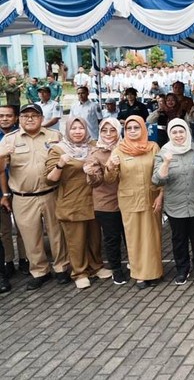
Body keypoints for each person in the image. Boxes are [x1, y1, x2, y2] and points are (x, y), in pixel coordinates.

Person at [0, 104, 69, 290]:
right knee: (31, 237)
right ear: (19, 119)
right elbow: (0, 171)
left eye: (34, 115)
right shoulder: (9, 140)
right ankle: (40, 271)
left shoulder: (54, 136)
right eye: (25, 116)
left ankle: (62, 268)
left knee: (57, 233)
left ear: (41, 118)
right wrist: (6, 194)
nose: (30, 119)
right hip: (23, 197)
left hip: (51, 194)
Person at [45, 116, 111, 289]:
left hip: (94, 199)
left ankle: (96, 266)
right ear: (67, 130)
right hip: (71, 201)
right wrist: (60, 165)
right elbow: (49, 180)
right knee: (76, 240)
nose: (77, 132)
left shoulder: (93, 146)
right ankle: (79, 272)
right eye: (73, 128)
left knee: (94, 237)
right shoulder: (58, 150)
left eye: (81, 128)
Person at [105, 116, 164, 289]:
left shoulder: (153, 147)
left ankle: (155, 272)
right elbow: (109, 179)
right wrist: (110, 167)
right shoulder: (119, 150)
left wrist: (161, 195)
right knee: (134, 238)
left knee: (153, 238)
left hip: (151, 199)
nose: (132, 131)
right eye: (129, 128)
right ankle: (139, 275)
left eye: (136, 128)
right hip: (129, 200)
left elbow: (161, 174)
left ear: (143, 129)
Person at [153, 119, 194, 285]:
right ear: (170, 134)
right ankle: (182, 270)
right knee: (179, 240)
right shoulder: (164, 152)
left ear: (187, 132)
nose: (178, 135)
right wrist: (167, 162)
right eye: (174, 132)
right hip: (175, 205)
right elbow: (157, 180)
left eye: (181, 131)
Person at [84, 118, 128, 284]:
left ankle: (135, 265)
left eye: (112, 130)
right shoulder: (95, 153)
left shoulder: (127, 148)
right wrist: (90, 173)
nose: (108, 134)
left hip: (128, 200)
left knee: (129, 235)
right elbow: (95, 182)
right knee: (112, 238)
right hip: (106, 202)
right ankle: (116, 269)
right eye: (104, 130)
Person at [0, 105, 27, 277]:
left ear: (16, 118)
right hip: (1, 190)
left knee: (23, 226)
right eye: (1, 116)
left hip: (20, 187)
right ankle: (9, 260)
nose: (4, 119)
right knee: (4, 229)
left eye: (8, 116)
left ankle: (25, 259)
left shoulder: (21, 135)